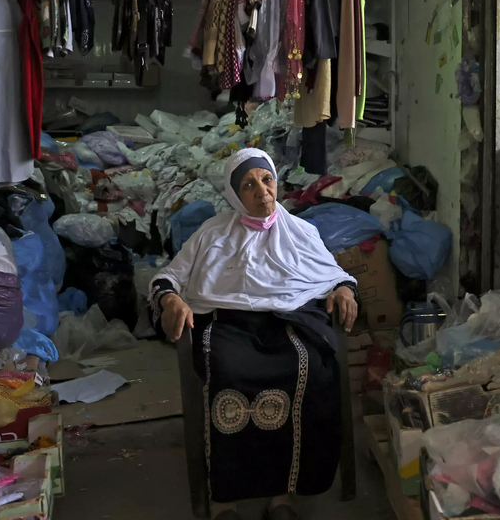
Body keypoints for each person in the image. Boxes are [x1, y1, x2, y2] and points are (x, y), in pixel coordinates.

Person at [151, 148, 359, 520]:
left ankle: (282, 494)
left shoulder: (299, 231)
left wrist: (344, 290)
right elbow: (169, 277)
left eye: (266, 180)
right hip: (227, 323)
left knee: (311, 369)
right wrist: (170, 300)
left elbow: (334, 274)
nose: (262, 192)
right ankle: (225, 498)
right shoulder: (212, 232)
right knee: (227, 374)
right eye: (248, 185)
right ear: (235, 194)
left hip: (288, 321)